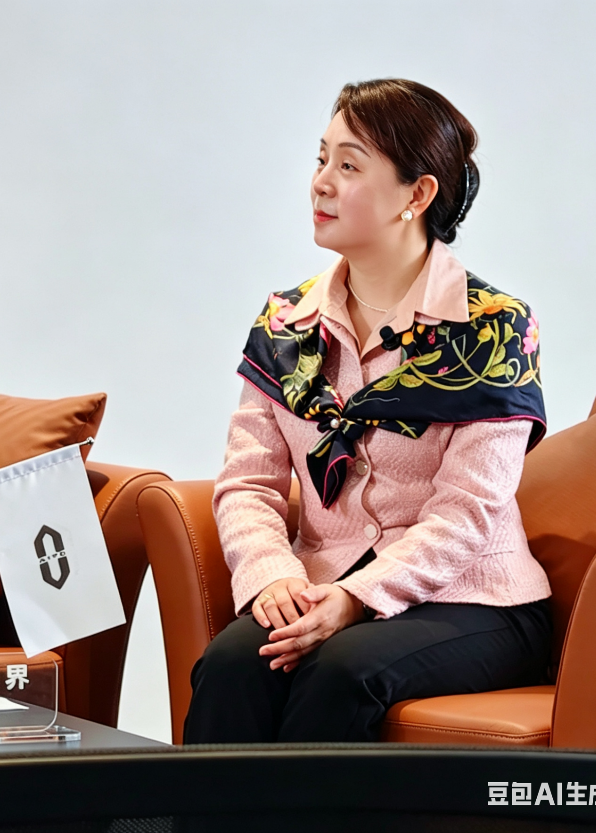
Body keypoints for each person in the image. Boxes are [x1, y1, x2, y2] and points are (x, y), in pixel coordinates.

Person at [183, 78, 551, 743]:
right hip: (322, 580)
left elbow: (468, 511)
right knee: (233, 665)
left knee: (341, 671)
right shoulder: (286, 323)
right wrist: (273, 578)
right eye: (321, 159)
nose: (321, 183)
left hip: (474, 594)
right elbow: (247, 484)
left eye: (349, 166)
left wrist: (357, 598)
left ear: (417, 195)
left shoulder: (494, 328)